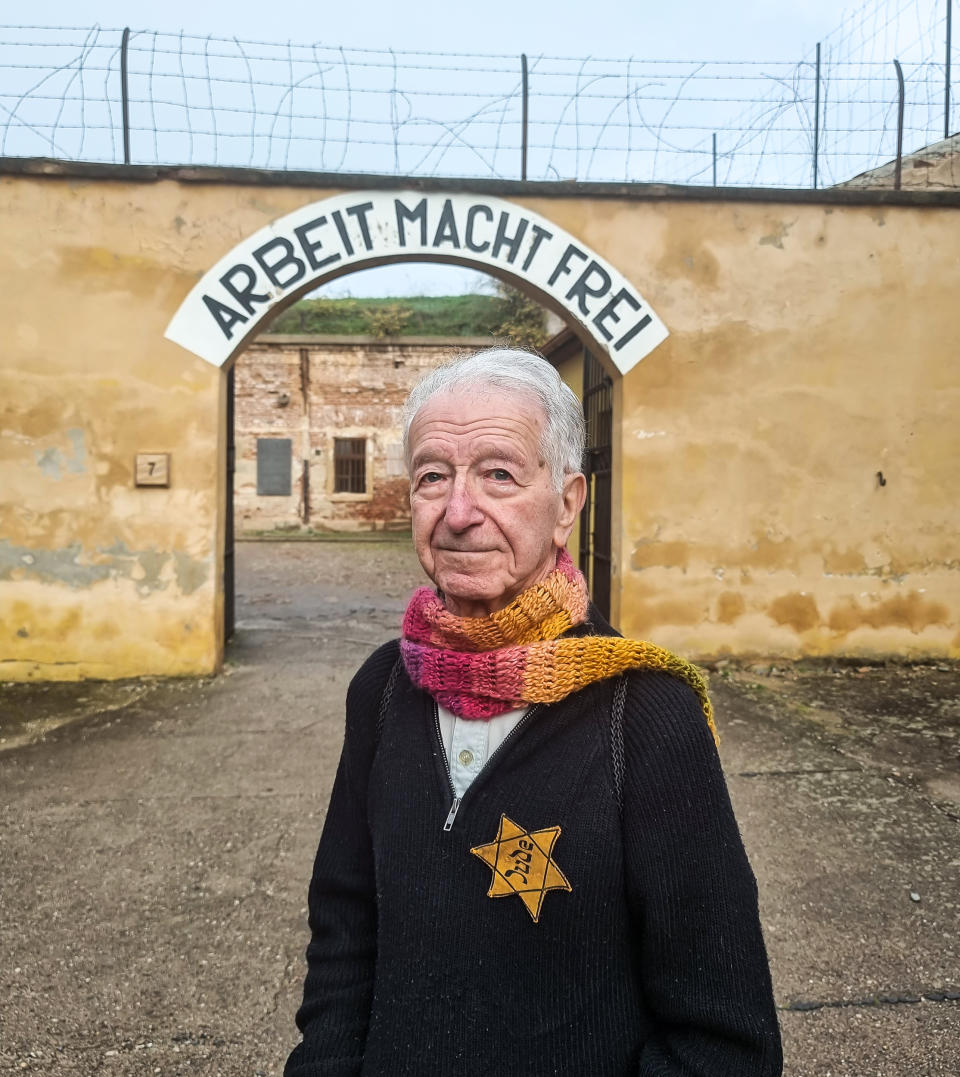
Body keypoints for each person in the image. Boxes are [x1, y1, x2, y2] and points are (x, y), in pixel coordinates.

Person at [285, 348, 782, 1077]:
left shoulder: (644, 710)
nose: (459, 512)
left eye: (499, 474)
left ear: (568, 504)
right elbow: (344, 929)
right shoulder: (383, 689)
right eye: (432, 476)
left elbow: (724, 1038)